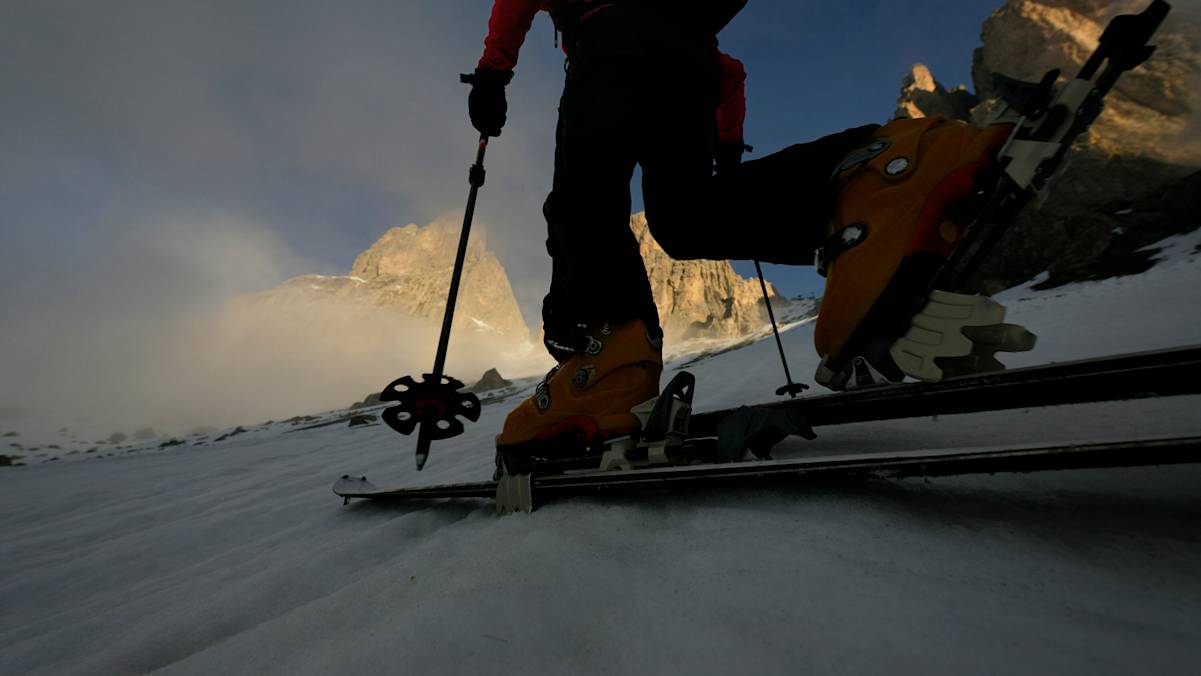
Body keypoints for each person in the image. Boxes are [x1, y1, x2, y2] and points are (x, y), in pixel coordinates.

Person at [467, 0, 1019, 460]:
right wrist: (727, 146)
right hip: (689, 57)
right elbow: (728, 74)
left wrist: (494, 71)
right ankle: (874, 170)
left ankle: (611, 366)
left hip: (608, 45)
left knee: (582, 203)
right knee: (687, 218)